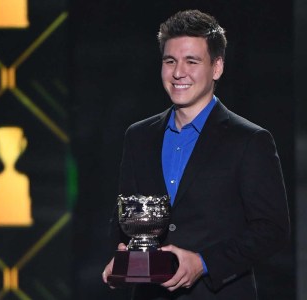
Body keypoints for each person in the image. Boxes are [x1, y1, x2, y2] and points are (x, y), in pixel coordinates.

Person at [102, 9, 290, 300]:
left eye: (192, 61)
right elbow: (126, 213)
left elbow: (271, 230)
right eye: (170, 61)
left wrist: (203, 263)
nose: (179, 72)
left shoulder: (250, 140)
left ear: (216, 68)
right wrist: (123, 255)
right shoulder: (138, 136)